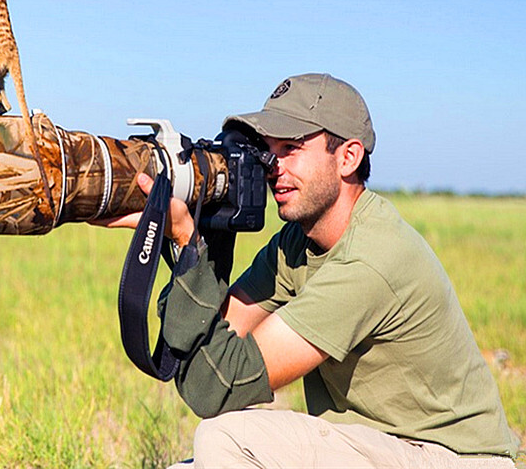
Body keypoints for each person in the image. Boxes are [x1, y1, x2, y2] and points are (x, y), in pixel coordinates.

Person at [99, 73, 519, 468]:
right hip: (385, 449)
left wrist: (187, 243)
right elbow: (205, 351)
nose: (273, 167)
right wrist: (199, 227)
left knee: (226, 439)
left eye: (292, 148)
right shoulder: (298, 244)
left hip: (451, 458)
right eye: (268, 150)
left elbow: (219, 386)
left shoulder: (371, 258)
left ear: (348, 157)